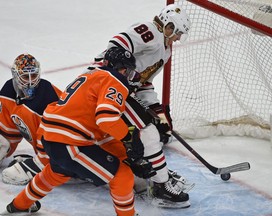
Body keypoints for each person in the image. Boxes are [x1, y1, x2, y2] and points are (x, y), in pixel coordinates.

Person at [4, 47, 155, 216]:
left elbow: (99, 130)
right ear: (122, 69)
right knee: (122, 175)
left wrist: (128, 156)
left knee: (56, 173)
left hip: (50, 136)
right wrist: (129, 138)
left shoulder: (88, 76)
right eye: (127, 71)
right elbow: (106, 119)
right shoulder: (114, 79)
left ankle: (19, 204)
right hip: (70, 143)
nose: (126, 76)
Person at [87, 4, 192, 208]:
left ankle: (145, 172)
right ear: (168, 25)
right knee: (148, 133)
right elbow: (115, 47)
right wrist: (122, 68)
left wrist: (160, 116)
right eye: (177, 32)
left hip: (118, 88)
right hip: (104, 83)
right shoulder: (150, 31)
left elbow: (143, 83)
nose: (178, 37)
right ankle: (161, 186)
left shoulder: (165, 49)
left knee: (153, 131)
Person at [0, 53, 62, 184]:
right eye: (24, 76)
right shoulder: (8, 91)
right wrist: (3, 147)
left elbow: (60, 137)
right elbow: (7, 130)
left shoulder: (48, 96)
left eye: (33, 75)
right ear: (15, 75)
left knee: (11, 175)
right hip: (45, 152)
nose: (29, 81)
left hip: (62, 151)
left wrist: (41, 162)